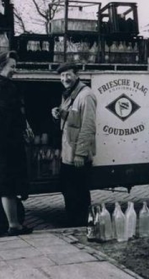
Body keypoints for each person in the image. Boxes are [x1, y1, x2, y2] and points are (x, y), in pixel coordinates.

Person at [0, 50, 33, 238]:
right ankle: (14, 225)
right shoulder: (6, 86)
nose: (14, 70)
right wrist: (24, 130)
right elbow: (10, 117)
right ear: (2, 66)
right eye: (12, 67)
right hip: (5, 143)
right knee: (8, 187)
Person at [51, 63, 97, 226]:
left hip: (78, 154)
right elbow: (74, 120)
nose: (65, 79)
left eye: (68, 74)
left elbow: (88, 127)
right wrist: (59, 113)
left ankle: (81, 223)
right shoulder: (70, 94)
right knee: (68, 189)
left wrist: (80, 154)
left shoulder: (86, 95)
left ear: (77, 75)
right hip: (68, 153)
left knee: (79, 191)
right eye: (62, 76)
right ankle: (73, 221)